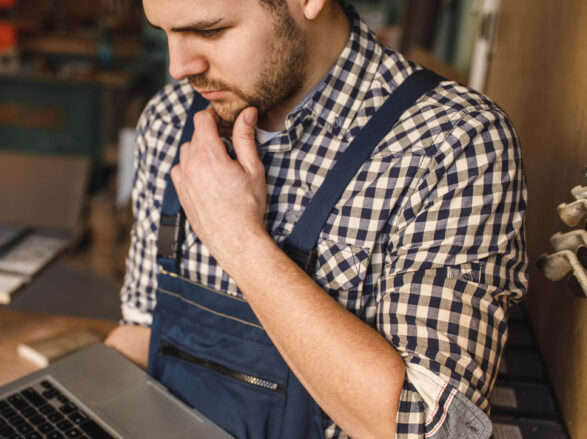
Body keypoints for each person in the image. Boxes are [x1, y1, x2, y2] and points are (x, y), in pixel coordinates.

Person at [103, 0, 526, 438]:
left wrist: (238, 240)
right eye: (165, 32)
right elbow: (144, 329)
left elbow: (436, 431)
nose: (178, 67)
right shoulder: (171, 119)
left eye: (210, 31)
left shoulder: (453, 145)